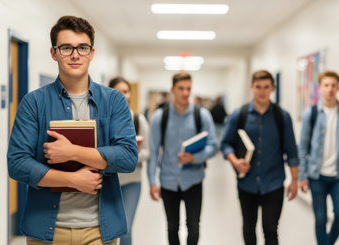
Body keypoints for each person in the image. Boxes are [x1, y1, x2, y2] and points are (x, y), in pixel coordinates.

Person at [7, 16, 138, 245]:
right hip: (46, 230)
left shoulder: (114, 101)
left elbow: (128, 157)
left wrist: (73, 152)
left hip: (100, 230)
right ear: (54, 53)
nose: (75, 54)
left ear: (92, 53)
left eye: (82, 47)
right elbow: (17, 163)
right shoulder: (34, 103)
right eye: (66, 47)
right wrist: (73, 180)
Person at [221, 70, 299, 245]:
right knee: (249, 228)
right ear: (252, 87)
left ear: (272, 88)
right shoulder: (239, 115)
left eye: (266, 87)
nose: (262, 91)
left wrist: (294, 180)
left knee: (271, 229)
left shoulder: (282, 117)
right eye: (258, 87)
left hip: (274, 182)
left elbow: (292, 151)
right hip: (246, 182)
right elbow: (225, 144)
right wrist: (235, 161)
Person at [147, 72, 218, 245]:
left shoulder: (202, 116)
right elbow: (154, 151)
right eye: (181, 88)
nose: (185, 93)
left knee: (193, 226)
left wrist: (194, 157)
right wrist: (152, 181)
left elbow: (214, 145)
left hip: (193, 179)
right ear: (172, 89)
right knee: (172, 227)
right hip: (168, 180)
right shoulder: (159, 118)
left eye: (188, 89)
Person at [298, 71, 339, 245]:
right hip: (317, 176)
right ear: (320, 88)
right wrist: (302, 176)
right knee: (320, 219)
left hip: (338, 176)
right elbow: (303, 147)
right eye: (326, 85)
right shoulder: (312, 113)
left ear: (338, 88)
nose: (330, 89)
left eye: (333, 85)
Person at [109, 77, 150, 245]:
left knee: (125, 228)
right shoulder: (104, 120)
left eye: (125, 91)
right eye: (118, 91)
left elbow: (147, 151)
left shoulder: (138, 120)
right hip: (108, 181)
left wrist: (129, 156)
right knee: (109, 228)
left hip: (132, 181)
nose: (122, 95)